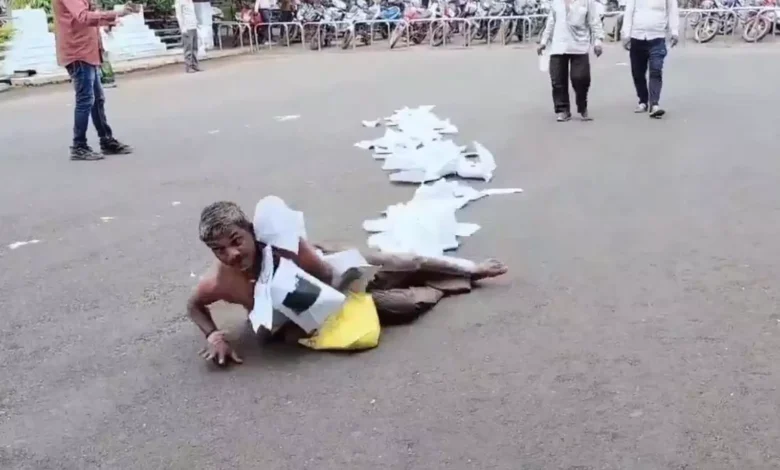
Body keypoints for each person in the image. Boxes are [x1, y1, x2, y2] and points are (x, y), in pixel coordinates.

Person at [188, 201, 508, 365]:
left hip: (333, 273)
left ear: (251, 231)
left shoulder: (285, 245)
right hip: (308, 315)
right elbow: (194, 305)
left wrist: (293, 282)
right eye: (219, 250)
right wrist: (214, 335)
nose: (231, 254)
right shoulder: (218, 280)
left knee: (403, 263)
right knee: (408, 304)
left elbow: (327, 276)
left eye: (236, 241)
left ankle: (470, 269)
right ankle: (443, 286)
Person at [53, 0, 135, 161]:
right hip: (78, 52)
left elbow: (90, 17)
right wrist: (116, 12)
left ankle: (106, 140)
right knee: (85, 100)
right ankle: (79, 146)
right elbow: (84, 17)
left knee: (97, 100)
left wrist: (109, 20)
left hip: (87, 51)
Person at [537, 0, 605, 122]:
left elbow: (594, 22)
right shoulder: (556, 2)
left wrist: (598, 42)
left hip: (579, 46)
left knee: (581, 78)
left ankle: (582, 105)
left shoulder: (587, 2)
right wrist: (543, 42)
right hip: (558, 46)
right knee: (557, 80)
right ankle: (563, 110)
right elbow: (551, 22)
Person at [621, 0, 678, 118]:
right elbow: (629, 11)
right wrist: (626, 34)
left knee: (656, 71)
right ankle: (643, 101)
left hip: (657, 37)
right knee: (638, 73)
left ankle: (654, 104)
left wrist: (674, 31)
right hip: (637, 37)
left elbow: (672, 10)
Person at [175, 0, 201, 73]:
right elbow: (179, 15)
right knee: (188, 48)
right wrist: (183, 28)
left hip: (193, 26)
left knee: (195, 47)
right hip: (187, 27)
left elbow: (192, 13)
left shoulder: (190, 1)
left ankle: (195, 65)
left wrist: (196, 23)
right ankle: (188, 66)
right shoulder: (179, 1)